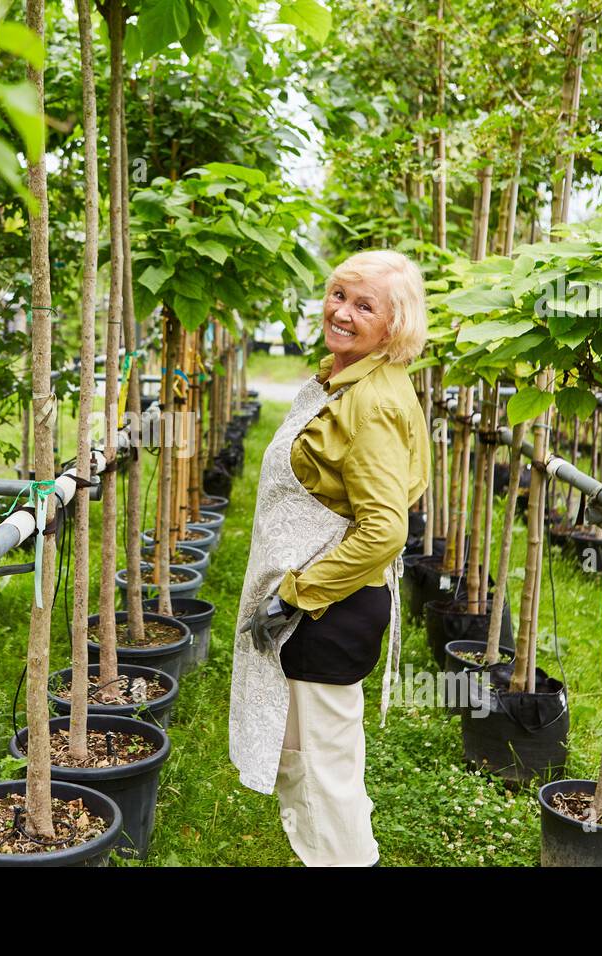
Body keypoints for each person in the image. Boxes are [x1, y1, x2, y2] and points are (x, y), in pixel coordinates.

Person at [228, 249, 431, 867]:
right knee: (314, 768)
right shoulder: (347, 379)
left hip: (326, 614)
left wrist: (294, 593)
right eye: (338, 294)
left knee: (321, 781)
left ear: (394, 325)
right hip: (328, 611)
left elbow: (383, 531)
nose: (342, 312)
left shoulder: (371, 404)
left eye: (364, 305)